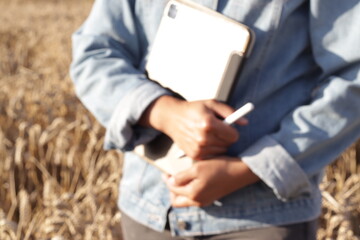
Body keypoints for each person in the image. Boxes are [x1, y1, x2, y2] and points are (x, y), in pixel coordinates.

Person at [70, 0, 360, 239]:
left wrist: (252, 168)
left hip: (261, 221)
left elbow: (354, 77)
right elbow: (94, 53)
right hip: (146, 210)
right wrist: (163, 112)